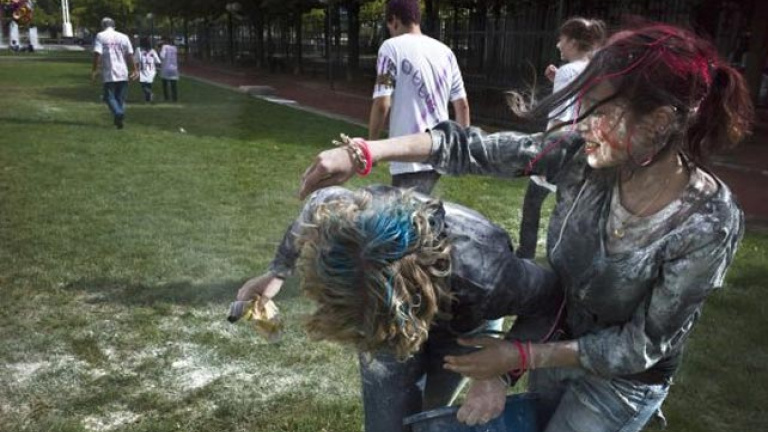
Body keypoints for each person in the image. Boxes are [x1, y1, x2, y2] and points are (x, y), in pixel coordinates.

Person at [299, 22, 753, 432]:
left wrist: (519, 357)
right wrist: (365, 152)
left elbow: (643, 344)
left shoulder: (707, 222)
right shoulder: (582, 157)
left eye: (600, 113)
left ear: (659, 122)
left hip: (622, 383)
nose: (584, 126)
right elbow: (475, 149)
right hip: (556, 342)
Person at [235, 184, 561, 432]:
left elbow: (553, 298)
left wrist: (502, 372)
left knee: (428, 413)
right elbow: (315, 204)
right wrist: (277, 272)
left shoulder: (486, 275)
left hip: (466, 318)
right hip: (401, 301)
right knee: (388, 422)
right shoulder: (339, 218)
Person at [518, 17, 606, 259]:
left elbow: (560, 118)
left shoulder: (568, 72)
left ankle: (525, 256)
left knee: (532, 204)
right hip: (586, 149)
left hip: (563, 147)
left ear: (574, 42)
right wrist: (558, 79)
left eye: (562, 39)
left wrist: (547, 155)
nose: (558, 45)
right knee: (568, 210)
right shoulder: (595, 70)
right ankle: (565, 260)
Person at [368, 0, 471, 194]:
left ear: (394, 20)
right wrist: (462, 152)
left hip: (409, 153)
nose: (390, 31)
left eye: (389, 25)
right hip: (440, 150)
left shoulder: (389, 48)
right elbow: (462, 106)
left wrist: (372, 147)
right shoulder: (446, 52)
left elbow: (382, 103)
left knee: (405, 211)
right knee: (420, 206)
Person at [91, 17, 138, 129]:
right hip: (123, 71)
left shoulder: (101, 36)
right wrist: (134, 69)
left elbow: (97, 54)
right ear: (114, 25)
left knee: (109, 97)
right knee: (120, 98)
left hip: (109, 70)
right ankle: (118, 121)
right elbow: (130, 55)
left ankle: (118, 113)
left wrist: (95, 70)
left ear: (103, 26)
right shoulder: (124, 37)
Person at [134, 37, 161, 103]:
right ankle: (148, 99)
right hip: (152, 70)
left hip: (143, 70)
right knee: (148, 85)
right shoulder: (152, 51)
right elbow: (158, 61)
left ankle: (150, 94)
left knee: (143, 85)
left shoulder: (139, 50)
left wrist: (136, 69)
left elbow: (135, 60)